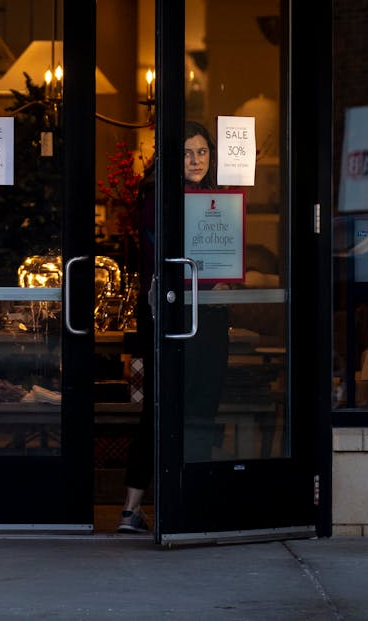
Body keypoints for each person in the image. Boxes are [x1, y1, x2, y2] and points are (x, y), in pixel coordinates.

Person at [118, 120, 231, 533]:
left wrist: (226, 275)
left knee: (202, 407)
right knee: (160, 409)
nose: (196, 160)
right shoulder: (156, 199)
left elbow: (221, 257)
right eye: (186, 152)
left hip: (209, 316)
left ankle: (190, 499)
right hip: (168, 316)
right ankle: (132, 509)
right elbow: (167, 259)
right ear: (170, 158)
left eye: (202, 152)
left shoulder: (218, 199)